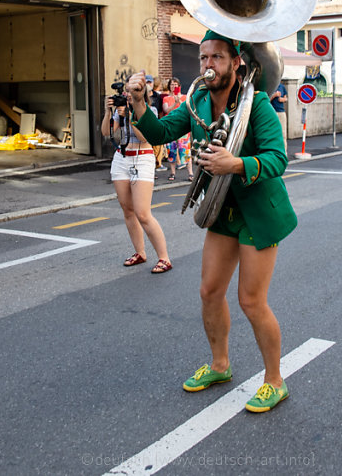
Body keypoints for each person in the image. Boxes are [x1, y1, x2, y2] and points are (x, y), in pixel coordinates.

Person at [127, 30, 297, 413]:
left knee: (251, 301)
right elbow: (162, 132)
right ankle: (220, 365)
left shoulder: (258, 106)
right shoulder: (199, 99)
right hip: (223, 210)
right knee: (209, 292)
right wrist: (139, 105)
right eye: (204, 58)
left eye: (217, 58)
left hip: (259, 212)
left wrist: (234, 163)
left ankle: (275, 381)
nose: (208, 66)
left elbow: (277, 159)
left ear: (236, 62)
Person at [100, 88, 171, 274]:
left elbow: (143, 137)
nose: (128, 96)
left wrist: (131, 115)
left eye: (131, 92)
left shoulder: (150, 111)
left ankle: (164, 257)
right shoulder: (119, 109)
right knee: (128, 210)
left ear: (141, 94)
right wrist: (109, 111)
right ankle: (140, 253)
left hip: (142, 158)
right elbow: (106, 132)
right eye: (125, 92)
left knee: (143, 213)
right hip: (122, 158)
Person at [162, 77, 194, 182]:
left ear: (179, 86)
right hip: (171, 126)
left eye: (175, 84)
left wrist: (179, 101)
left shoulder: (185, 97)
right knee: (172, 150)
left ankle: (190, 173)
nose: (174, 86)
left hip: (183, 127)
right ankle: (172, 172)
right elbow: (166, 110)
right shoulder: (166, 98)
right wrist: (175, 103)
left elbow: (188, 109)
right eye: (171, 84)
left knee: (185, 150)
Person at [148, 76, 167, 172]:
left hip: (156, 124)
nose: (148, 84)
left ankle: (157, 164)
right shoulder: (142, 96)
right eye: (146, 82)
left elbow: (160, 111)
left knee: (157, 148)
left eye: (149, 82)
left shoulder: (157, 96)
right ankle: (151, 167)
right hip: (147, 126)